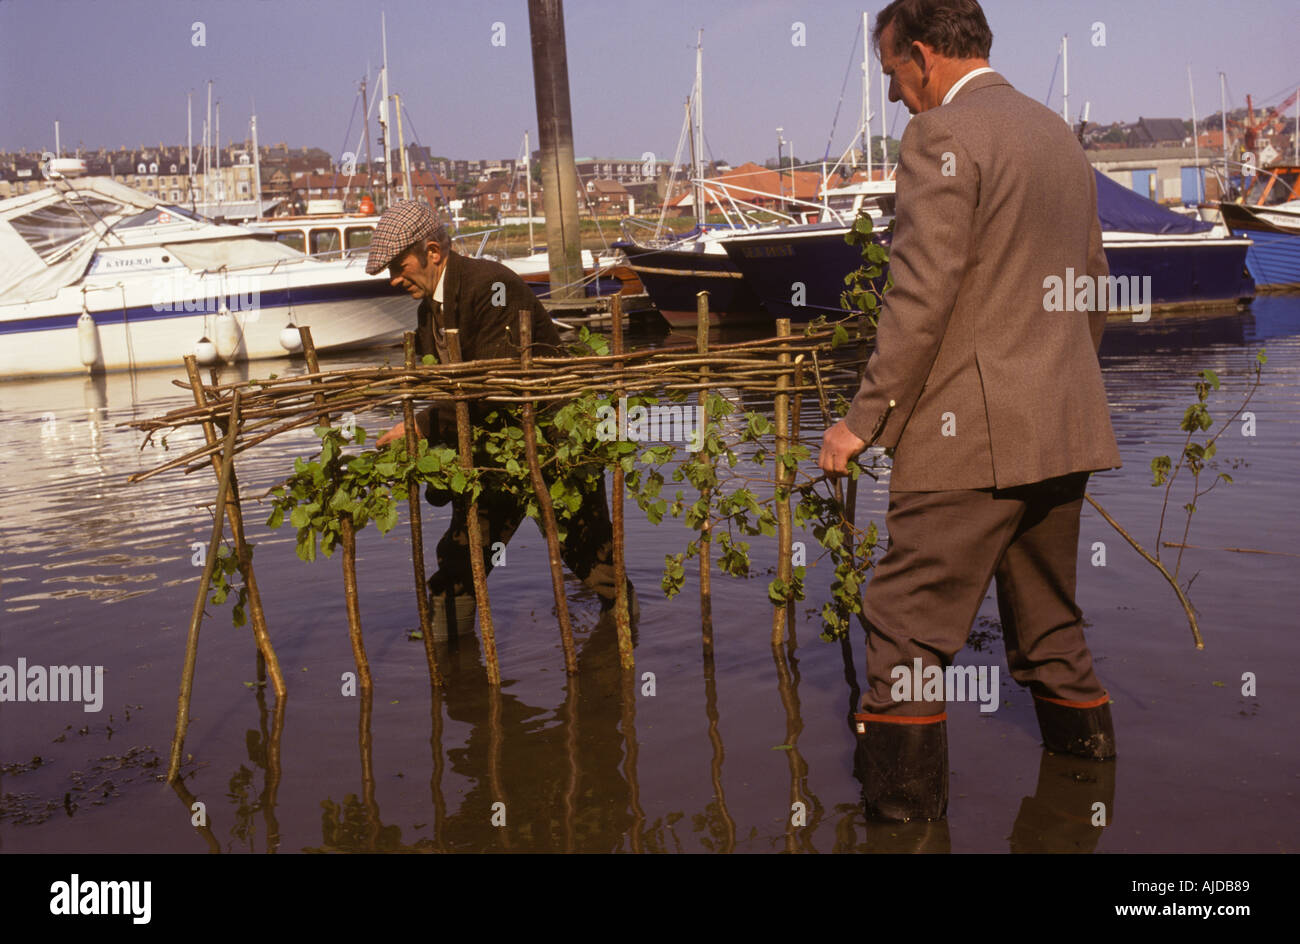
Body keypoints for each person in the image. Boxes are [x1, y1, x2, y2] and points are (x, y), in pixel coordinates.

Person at [818, 0, 1122, 822]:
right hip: (1062, 427)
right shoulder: (1053, 131)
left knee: (905, 634)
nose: (893, 96)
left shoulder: (941, 136)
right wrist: (1058, 383)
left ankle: (902, 833)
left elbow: (919, 299)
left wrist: (862, 421)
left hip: (971, 438)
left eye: (891, 73)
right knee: (1052, 634)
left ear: (921, 53)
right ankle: (1089, 813)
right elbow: (1092, 283)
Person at [365, 200, 634, 638]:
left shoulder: (491, 285)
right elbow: (448, 393)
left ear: (433, 251)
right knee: (460, 562)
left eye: (400, 264)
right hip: (494, 456)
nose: (395, 278)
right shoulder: (427, 310)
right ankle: (450, 661)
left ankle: (622, 642)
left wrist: (418, 427)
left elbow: (493, 386)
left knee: (593, 563)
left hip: (554, 445)